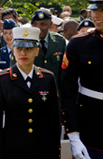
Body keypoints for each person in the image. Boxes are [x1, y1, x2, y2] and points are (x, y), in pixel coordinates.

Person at [0, 26, 61, 159]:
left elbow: (53, 119)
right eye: (19, 48)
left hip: (42, 149)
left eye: (28, 49)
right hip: (13, 149)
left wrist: (55, 150)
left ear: (37, 51)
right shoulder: (1, 80)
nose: (23, 53)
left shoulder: (47, 78)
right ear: (13, 50)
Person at [61, 0, 103, 158]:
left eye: (102, 10)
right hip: (89, 127)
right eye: (94, 10)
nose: (96, 15)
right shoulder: (79, 43)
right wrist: (73, 135)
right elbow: (68, 91)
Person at [12, 8, 66, 84]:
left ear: (50, 24)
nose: (38, 28)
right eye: (35, 24)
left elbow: (64, 71)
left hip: (54, 90)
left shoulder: (60, 41)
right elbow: (14, 70)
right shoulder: (22, 42)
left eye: (43, 24)